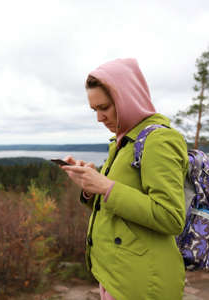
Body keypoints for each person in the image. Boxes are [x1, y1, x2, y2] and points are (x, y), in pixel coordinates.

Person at [61, 58, 188, 300]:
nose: (99, 118)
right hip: (118, 276)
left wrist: (107, 187)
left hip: (143, 284)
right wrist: (91, 187)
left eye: (104, 107)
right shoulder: (124, 141)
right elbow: (118, 209)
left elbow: (171, 217)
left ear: (127, 98)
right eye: (94, 110)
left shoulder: (159, 141)